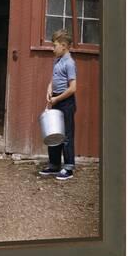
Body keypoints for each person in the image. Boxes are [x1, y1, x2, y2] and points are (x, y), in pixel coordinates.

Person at [39, 29, 77, 181]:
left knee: (66, 135)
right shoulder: (57, 60)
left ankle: (68, 167)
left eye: (54, 45)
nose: (52, 48)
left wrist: (57, 99)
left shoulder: (70, 63)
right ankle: (54, 165)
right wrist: (49, 89)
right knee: (54, 133)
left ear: (64, 46)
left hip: (66, 102)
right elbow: (53, 79)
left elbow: (73, 88)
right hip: (55, 99)